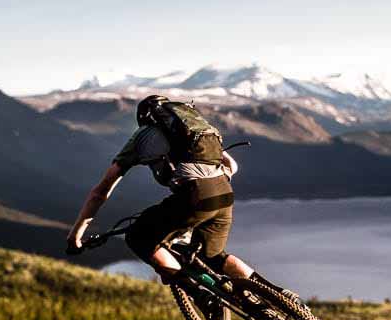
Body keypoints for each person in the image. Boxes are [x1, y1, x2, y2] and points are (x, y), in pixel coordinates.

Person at [65, 95, 258, 285]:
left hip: (194, 196)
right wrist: (212, 184)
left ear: (144, 118)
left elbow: (101, 191)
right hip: (225, 193)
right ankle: (275, 295)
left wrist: (76, 236)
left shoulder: (143, 136)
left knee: (138, 237)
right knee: (214, 257)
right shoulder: (194, 131)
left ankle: (196, 290)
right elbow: (232, 165)